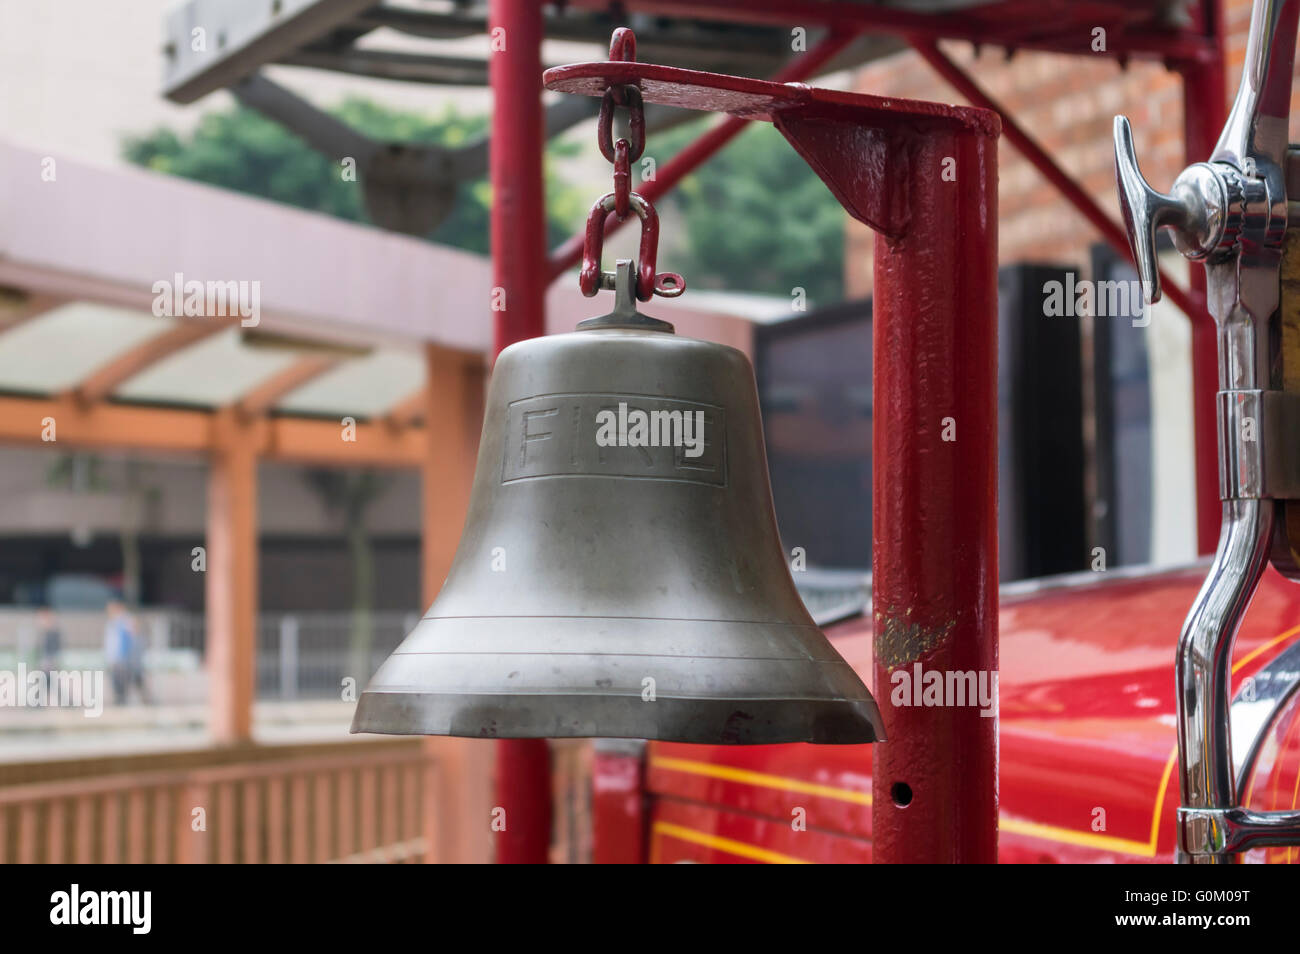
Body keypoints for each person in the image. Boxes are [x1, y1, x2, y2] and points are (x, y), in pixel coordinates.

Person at [103, 599, 132, 705]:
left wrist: (122, 656)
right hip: (113, 657)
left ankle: (122, 701)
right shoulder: (112, 622)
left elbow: (125, 641)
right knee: (115, 681)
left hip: (120, 658)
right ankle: (119, 700)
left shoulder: (124, 621)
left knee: (121, 681)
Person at [36, 606, 61, 675]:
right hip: (45, 664)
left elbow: (54, 650)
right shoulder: (43, 634)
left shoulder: (53, 634)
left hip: (49, 664)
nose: (40, 621)